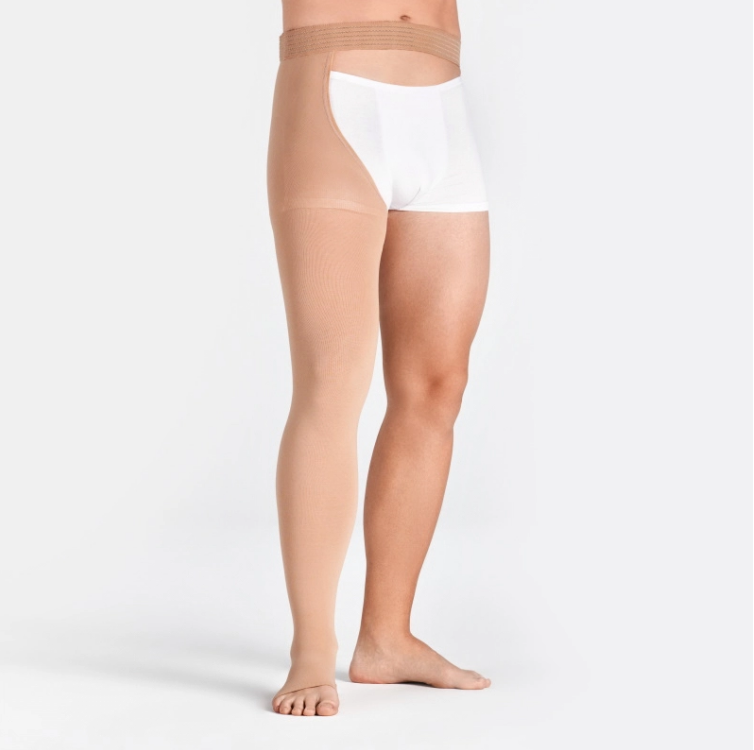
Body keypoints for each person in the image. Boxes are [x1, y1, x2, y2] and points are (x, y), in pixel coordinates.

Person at [267, 0, 492, 716]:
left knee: (436, 385)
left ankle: (387, 637)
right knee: (332, 382)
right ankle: (311, 650)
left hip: (442, 99)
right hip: (336, 90)